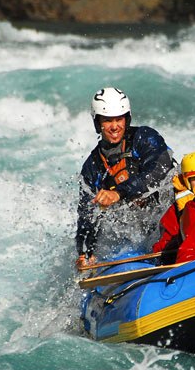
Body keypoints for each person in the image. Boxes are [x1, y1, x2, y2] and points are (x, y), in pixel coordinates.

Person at [75, 87, 175, 270]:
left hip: (169, 218)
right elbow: (86, 216)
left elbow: (159, 170)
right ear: (98, 123)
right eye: (107, 120)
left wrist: (119, 193)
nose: (114, 127)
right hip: (138, 234)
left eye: (119, 119)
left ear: (127, 119)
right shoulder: (92, 167)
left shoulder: (145, 138)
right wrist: (85, 253)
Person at [151, 150, 195, 257]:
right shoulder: (175, 211)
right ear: (187, 183)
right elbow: (163, 244)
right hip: (192, 254)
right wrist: (176, 242)